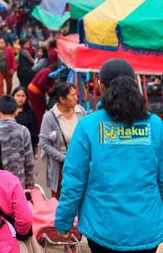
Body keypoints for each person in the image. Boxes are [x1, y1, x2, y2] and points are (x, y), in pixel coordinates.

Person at [54, 59, 163, 253]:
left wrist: (64, 222)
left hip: (103, 228)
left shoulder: (88, 125)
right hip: (146, 227)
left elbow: (74, 180)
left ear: (100, 85)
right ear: (135, 83)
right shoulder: (155, 125)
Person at [39, 82, 86, 200]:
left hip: (80, 162)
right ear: (62, 99)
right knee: (61, 199)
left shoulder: (81, 112)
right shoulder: (50, 117)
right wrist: (63, 158)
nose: (77, 98)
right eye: (73, 95)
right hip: (60, 166)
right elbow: (44, 143)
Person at [0, 96, 35, 190]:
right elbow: (29, 161)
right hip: (18, 184)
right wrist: (30, 186)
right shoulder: (23, 131)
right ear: (16, 112)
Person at [12, 86, 39, 154]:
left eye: (23, 96)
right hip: (12, 145)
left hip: (27, 145)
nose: (20, 98)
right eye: (18, 96)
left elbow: (34, 129)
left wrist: (35, 144)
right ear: (13, 96)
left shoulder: (30, 111)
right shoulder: (9, 111)